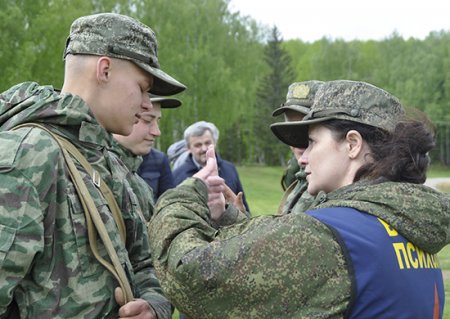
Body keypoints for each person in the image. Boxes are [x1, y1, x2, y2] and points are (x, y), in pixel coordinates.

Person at [148, 80, 449, 318]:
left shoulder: (329, 235)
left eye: (312, 142)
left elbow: (190, 274)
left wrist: (185, 196)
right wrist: (231, 219)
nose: (302, 157)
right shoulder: (407, 227)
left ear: (353, 144)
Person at [0, 13, 186, 318]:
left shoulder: (108, 161)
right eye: (142, 87)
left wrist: (153, 304)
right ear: (105, 69)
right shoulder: (29, 155)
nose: (145, 103)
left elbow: (144, 262)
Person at [113, 95, 181, 203]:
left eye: (158, 122)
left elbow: (167, 204)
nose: (157, 132)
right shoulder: (93, 160)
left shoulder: (159, 160)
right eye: (147, 120)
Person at [172, 120, 250, 212]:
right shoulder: (177, 175)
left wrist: (243, 213)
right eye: (198, 145)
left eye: (207, 143)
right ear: (188, 148)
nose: (204, 149)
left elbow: (243, 206)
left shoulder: (230, 169)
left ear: (215, 143)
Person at [272, 80, 324, 214]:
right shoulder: (296, 173)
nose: (298, 141)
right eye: (291, 131)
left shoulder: (329, 182)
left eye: (305, 130)